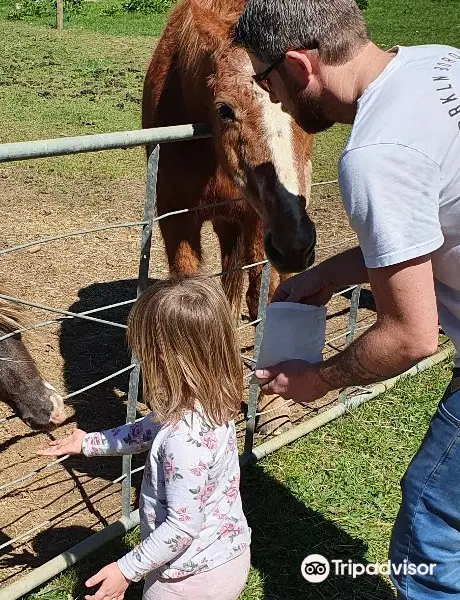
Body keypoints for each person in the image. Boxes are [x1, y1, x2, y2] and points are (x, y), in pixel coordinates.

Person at [233, 1, 460, 597]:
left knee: (433, 523)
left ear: (300, 66)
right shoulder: (438, 66)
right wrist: (329, 275)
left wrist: (318, 380)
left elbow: (410, 336)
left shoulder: (375, 154)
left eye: (266, 79)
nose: (272, 100)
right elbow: (434, 221)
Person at [38, 277, 251, 600]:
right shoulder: (210, 404)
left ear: (163, 357)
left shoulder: (183, 441)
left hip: (187, 579)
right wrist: (87, 442)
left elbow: (181, 527)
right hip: (226, 553)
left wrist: (126, 570)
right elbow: (143, 432)